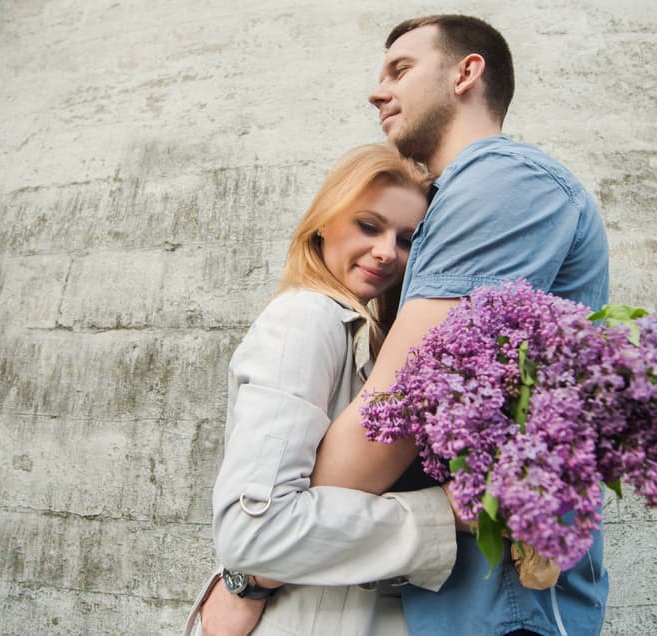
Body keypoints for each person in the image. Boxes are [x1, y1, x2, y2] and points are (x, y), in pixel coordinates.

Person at [311, 14, 611, 636]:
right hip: (455, 600)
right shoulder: (455, 199)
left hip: (502, 607)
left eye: (400, 69)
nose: (377, 91)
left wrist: (268, 546)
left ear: (466, 73)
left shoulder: (502, 182)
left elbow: (395, 411)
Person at [184, 144, 459, 636]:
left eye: (406, 239)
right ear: (323, 222)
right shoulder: (307, 318)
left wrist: (244, 583)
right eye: (370, 226)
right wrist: (444, 513)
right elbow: (255, 532)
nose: (385, 252)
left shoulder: (362, 331)